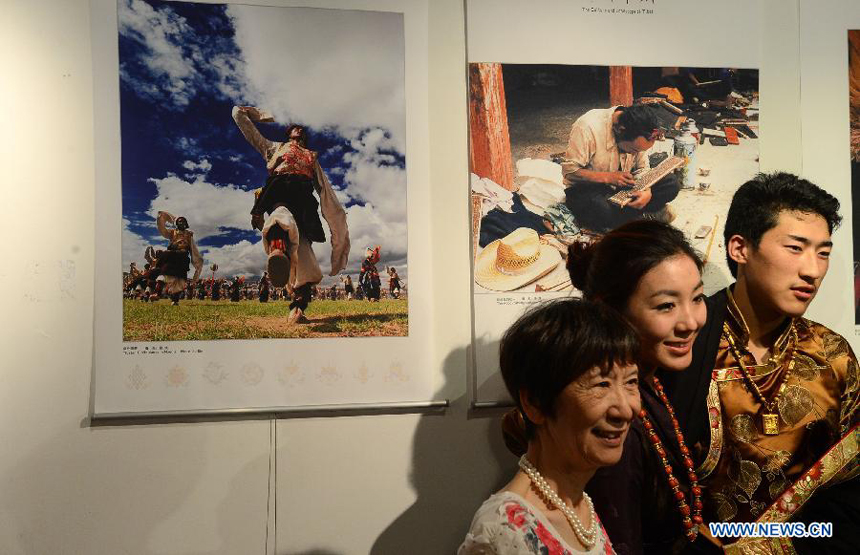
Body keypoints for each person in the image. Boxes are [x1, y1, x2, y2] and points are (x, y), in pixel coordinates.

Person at [660, 172, 859, 554]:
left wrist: (781, 544)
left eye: (823, 252)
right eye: (796, 248)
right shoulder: (685, 346)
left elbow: (851, 491)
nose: (813, 270)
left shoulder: (832, 355)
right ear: (740, 249)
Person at [502, 220, 712, 553]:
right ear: (610, 310)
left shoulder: (649, 384)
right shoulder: (610, 426)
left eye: (697, 298)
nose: (690, 322)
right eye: (666, 305)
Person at [460, 299, 640, 554]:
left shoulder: (579, 505)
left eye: (631, 382)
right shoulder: (503, 530)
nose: (625, 409)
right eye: (601, 384)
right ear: (535, 403)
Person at [232, 106, 349, 324]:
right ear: (288, 133)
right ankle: (277, 249)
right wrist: (260, 115)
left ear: (304, 137)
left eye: (301, 129)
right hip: (279, 188)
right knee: (279, 214)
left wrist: (335, 217)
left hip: (303, 196)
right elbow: (242, 120)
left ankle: (297, 308)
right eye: (294, 128)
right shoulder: (273, 148)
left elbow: (325, 189)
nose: (298, 130)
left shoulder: (311, 157)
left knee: (303, 250)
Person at [561, 103, 680, 232]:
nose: (635, 154)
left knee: (671, 183)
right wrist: (607, 177)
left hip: (623, 189)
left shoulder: (640, 129)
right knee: (600, 208)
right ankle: (640, 217)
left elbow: (642, 169)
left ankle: (631, 217)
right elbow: (569, 172)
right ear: (620, 130)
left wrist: (647, 192)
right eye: (633, 149)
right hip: (590, 189)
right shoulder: (587, 127)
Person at [155, 211, 203, 306]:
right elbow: (162, 230)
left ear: (186, 224)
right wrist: (161, 218)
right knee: (165, 274)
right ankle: (157, 293)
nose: (182, 223)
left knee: (180, 280)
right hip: (172, 256)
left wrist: (198, 260)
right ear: (176, 223)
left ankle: (175, 300)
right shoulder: (172, 232)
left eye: (183, 221)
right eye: (180, 221)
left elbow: (193, 248)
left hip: (183, 258)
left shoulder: (189, 235)